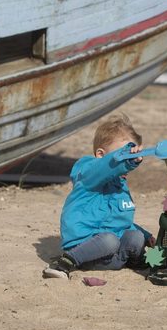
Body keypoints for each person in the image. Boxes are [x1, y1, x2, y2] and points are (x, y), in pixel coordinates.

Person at [43, 114, 156, 279]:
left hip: (111, 257)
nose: (129, 162)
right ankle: (67, 262)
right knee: (109, 240)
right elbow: (103, 168)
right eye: (125, 154)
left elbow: (122, 222)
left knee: (135, 237)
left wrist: (146, 235)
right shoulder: (88, 174)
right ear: (101, 155)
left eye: (132, 156)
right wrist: (123, 162)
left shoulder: (120, 187)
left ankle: (137, 261)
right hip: (84, 247)